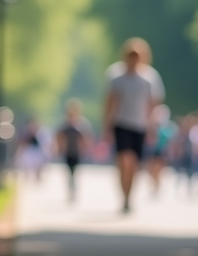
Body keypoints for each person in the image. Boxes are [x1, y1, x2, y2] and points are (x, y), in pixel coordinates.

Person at [103, 38, 165, 212]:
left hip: (140, 126)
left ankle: (129, 196)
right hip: (121, 123)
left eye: (137, 56)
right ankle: (123, 195)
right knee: (124, 160)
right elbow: (110, 102)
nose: (134, 59)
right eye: (131, 55)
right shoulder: (116, 75)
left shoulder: (150, 77)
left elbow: (153, 105)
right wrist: (107, 126)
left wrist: (153, 127)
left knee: (134, 164)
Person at [53, 98, 94, 202]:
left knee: (74, 172)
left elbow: (86, 138)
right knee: (69, 171)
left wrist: (86, 148)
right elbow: (59, 137)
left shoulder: (82, 124)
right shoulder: (64, 125)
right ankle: (71, 189)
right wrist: (58, 149)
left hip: (77, 152)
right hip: (67, 152)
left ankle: (73, 189)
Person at [146, 104, 177, 195]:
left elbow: (171, 141)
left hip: (162, 151)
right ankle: (156, 183)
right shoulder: (152, 126)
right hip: (152, 151)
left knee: (158, 169)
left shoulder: (168, 127)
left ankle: (157, 185)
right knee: (150, 169)